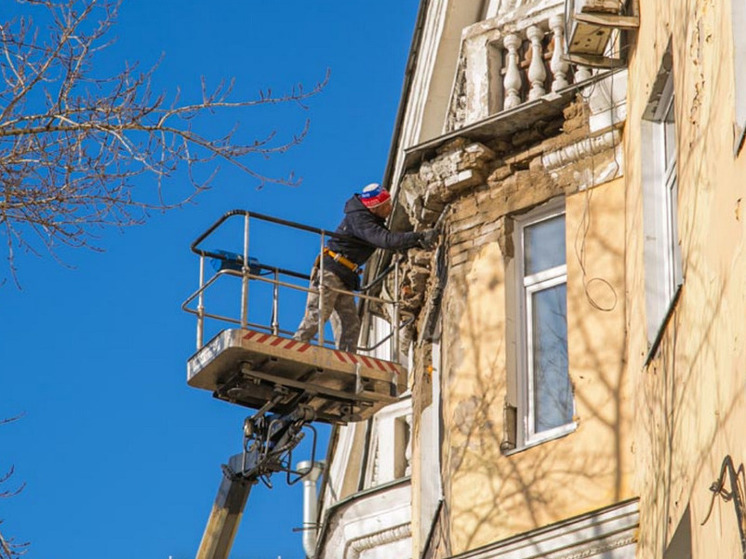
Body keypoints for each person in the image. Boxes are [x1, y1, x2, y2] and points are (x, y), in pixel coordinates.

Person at [293, 183, 438, 352]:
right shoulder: (360, 219)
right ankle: (295, 346)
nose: (390, 208)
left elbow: (389, 240)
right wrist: (419, 236)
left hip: (344, 274)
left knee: (350, 324)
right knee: (318, 313)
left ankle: (346, 360)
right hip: (330, 271)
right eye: (386, 206)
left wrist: (414, 243)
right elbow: (386, 240)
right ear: (375, 207)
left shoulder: (369, 219)